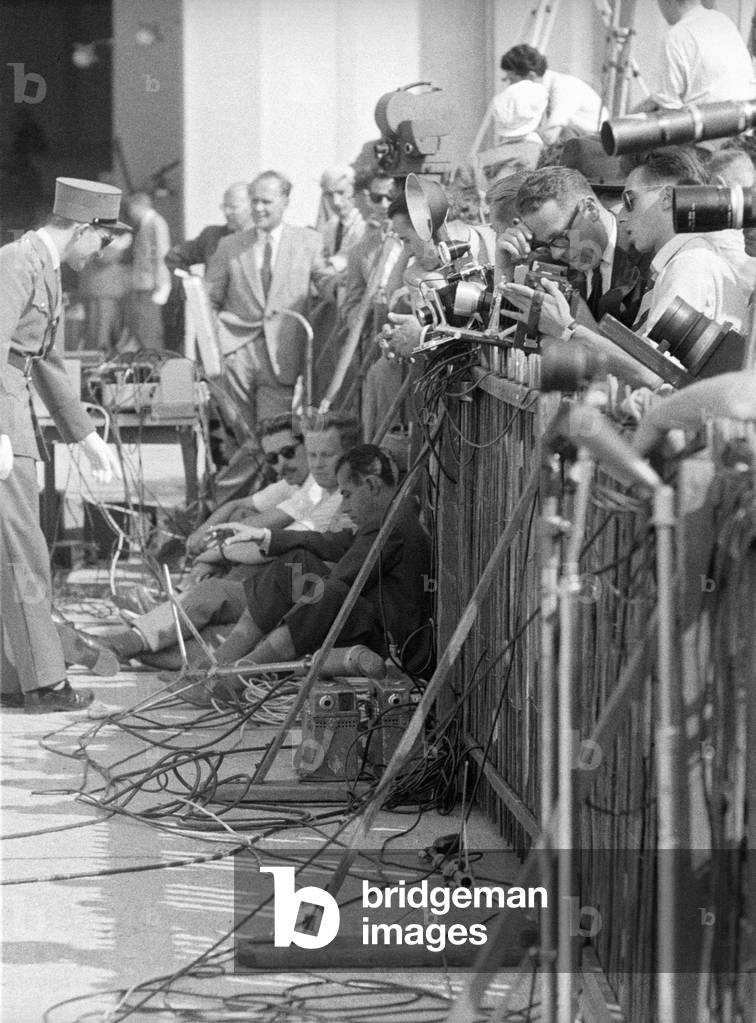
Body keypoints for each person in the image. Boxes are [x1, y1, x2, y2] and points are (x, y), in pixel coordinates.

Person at [87, 413, 361, 668]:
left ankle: (126, 644)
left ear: (348, 456)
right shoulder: (321, 488)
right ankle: (128, 644)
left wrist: (213, 554)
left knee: (220, 611)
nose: (317, 464)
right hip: (294, 587)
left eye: (326, 455)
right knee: (220, 616)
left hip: (309, 596)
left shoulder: (336, 496)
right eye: (313, 455)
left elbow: (279, 545)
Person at [0, 177, 128, 712]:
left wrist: (86, 436)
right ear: (81, 229)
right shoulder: (15, 261)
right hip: (5, 416)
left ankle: (12, 677)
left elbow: (44, 360)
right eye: (102, 241)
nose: (102, 254)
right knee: (22, 552)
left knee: (11, 554)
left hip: (16, 408)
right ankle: (45, 683)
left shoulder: (43, 267)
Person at [182, 444, 432, 706]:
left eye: (347, 495)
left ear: (371, 485)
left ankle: (237, 679)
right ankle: (220, 666)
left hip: (391, 645)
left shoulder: (392, 524)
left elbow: (345, 578)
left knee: (327, 593)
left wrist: (296, 606)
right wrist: (264, 537)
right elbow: (334, 543)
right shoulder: (389, 516)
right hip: (372, 625)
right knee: (295, 564)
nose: (344, 507)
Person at [500, 148, 756, 370]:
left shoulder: (691, 264)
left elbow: (656, 373)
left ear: (667, 197)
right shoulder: (681, 261)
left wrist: (568, 329)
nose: (622, 215)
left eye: (630, 200)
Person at [205, 170, 330, 429]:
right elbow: (209, 299)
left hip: (281, 354)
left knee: (275, 432)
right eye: (254, 201)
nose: (259, 208)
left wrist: (342, 281)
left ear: (285, 201)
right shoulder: (230, 245)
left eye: (266, 202)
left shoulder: (308, 242)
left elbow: (324, 280)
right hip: (236, 352)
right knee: (240, 433)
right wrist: (217, 344)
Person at [636, 0, 755, 113]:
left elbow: (668, 110)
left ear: (668, 1)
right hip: (745, 120)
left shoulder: (676, 36)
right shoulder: (722, 20)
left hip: (715, 128)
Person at [498, 45, 606, 145]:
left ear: (531, 76)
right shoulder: (540, 93)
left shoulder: (565, 87)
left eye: (512, 80)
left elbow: (550, 136)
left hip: (595, 143)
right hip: (577, 141)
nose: (510, 86)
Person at [125, 191, 172, 349]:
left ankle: (155, 366)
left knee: (150, 330)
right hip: (143, 284)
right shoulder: (146, 224)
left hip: (151, 285)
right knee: (142, 328)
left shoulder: (156, 223)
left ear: (138, 206)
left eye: (131, 208)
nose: (130, 213)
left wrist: (163, 285)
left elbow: (161, 253)